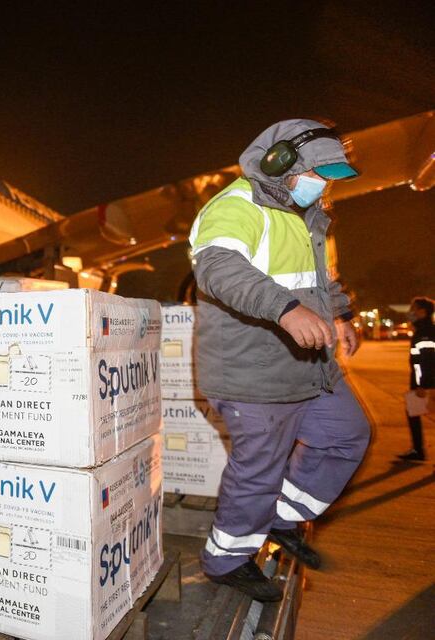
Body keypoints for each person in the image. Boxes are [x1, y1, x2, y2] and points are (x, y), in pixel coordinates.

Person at [189, 119, 370, 602]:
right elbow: (218, 269)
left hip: (309, 367)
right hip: (254, 373)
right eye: (317, 173)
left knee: (347, 436)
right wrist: (287, 311)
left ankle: (281, 520)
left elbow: (318, 279)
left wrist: (342, 315)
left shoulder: (304, 213)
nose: (323, 184)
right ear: (279, 163)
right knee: (258, 473)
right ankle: (225, 560)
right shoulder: (235, 207)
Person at [398, 296, 434, 461]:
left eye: (414, 308)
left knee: (417, 414)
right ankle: (418, 450)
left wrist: (420, 384)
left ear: (423, 312)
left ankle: (419, 450)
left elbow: (424, 361)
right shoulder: (422, 330)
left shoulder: (426, 332)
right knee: (413, 413)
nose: (410, 312)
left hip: (426, 384)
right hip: (423, 381)